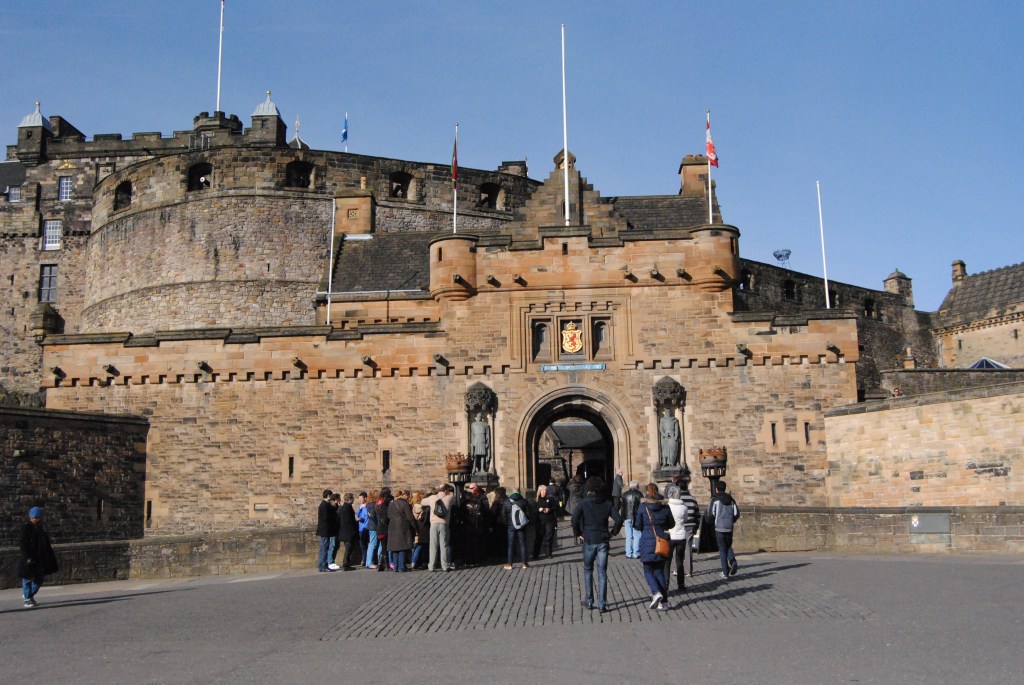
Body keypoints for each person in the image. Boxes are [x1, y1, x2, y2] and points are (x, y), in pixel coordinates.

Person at [571, 476, 623, 613]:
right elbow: (618, 519)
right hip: (603, 540)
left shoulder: (583, 503)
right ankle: (602, 604)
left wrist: (578, 533)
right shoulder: (607, 503)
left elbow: (574, 519)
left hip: (589, 539)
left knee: (588, 570)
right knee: (602, 572)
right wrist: (613, 533)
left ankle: (589, 601)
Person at [634, 482, 675, 611]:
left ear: (647, 492)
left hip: (647, 540)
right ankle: (665, 602)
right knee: (659, 571)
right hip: (661, 540)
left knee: (648, 570)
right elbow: (671, 523)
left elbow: (638, 525)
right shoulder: (665, 506)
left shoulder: (643, 506)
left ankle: (656, 592)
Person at [18, 506, 59, 608]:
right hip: (29, 558)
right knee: (27, 578)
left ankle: (29, 595)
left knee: (39, 579)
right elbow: (23, 544)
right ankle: (27, 598)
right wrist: (27, 557)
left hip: (39, 558)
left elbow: (45, 543)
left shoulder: (40, 527)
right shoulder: (27, 527)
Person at [709, 481, 740, 579]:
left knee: (722, 549)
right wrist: (731, 521)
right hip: (729, 527)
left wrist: (713, 522)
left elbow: (711, 514)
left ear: (716, 489)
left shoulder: (715, 499)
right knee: (728, 545)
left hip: (719, 527)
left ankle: (725, 572)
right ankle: (733, 561)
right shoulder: (731, 500)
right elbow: (736, 514)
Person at [423, 484, 455, 571]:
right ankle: (444, 565)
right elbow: (454, 497)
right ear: (446, 490)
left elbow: (422, 502)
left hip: (433, 524)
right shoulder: (449, 498)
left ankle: (431, 566)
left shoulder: (432, 498)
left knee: (433, 545)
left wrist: (433, 495)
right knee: (444, 545)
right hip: (444, 523)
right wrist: (449, 493)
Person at [459, 483, 489, 566]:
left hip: (470, 524)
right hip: (477, 524)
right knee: (476, 543)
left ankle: (469, 560)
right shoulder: (479, 502)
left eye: (472, 488)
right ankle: (477, 559)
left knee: (469, 543)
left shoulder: (465, 502)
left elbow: (461, 513)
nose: (470, 490)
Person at [386, 490, 416, 572]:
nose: (409, 498)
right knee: (402, 547)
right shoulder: (405, 504)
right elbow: (410, 517)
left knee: (395, 548)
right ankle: (401, 567)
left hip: (392, 527)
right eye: (408, 496)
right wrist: (415, 527)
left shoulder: (391, 504)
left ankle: (395, 567)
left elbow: (388, 516)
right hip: (402, 527)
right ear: (405, 496)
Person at [677, 478, 700, 578]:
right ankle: (689, 570)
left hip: (680, 525)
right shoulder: (692, 498)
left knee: (677, 548)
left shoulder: (678, 499)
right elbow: (697, 514)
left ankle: (677, 569)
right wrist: (696, 526)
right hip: (691, 525)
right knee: (688, 547)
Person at [502, 490, 530, 569]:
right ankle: (524, 563)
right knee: (522, 544)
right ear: (519, 493)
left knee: (510, 545)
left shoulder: (506, 502)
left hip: (511, 526)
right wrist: (526, 523)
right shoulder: (524, 501)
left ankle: (509, 564)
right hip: (521, 525)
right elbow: (528, 513)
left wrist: (507, 523)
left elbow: (503, 515)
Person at [533, 484, 558, 559]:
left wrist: (549, 509)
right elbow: (533, 512)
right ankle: (535, 554)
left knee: (549, 537)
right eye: (542, 490)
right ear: (539, 492)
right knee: (539, 538)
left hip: (549, 521)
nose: (544, 492)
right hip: (539, 522)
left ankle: (548, 553)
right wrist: (538, 510)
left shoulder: (550, 499)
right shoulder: (536, 501)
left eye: (545, 490)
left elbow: (555, 508)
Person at [336, 493, 360, 571]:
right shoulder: (348, 508)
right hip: (348, 532)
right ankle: (345, 564)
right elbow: (350, 521)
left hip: (343, 532)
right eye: (352, 498)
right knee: (349, 549)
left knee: (348, 548)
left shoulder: (343, 507)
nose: (353, 500)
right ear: (350, 499)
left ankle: (346, 564)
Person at [620, 480, 643, 559]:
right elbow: (642, 507)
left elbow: (622, 508)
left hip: (627, 517)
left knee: (628, 535)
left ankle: (628, 553)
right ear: (637, 486)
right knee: (637, 535)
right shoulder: (639, 494)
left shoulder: (624, 494)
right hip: (636, 517)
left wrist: (622, 518)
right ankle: (636, 553)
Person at [375, 488, 394, 571]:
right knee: (385, 547)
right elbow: (387, 517)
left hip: (379, 528)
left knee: (383, 547)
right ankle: (386, 565)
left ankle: (381, 564)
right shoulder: (385, 506)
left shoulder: (378, 504)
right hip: (384, 528)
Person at [410, 490, 429, 570]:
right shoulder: (424, 507)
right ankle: (422, 562)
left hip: (415, 526)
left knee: (416, 545)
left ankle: (414, 561)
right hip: (423, 527)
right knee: (423, 546)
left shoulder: (412, 507)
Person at [316, 489, 334, 572]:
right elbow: (326, 517)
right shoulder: (325, 505)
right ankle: (323, 566)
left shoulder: (324, 504)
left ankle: (321, 565)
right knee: (324, 548)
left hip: (324, 529)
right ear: (328, 496)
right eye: (331, 495)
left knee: (323, 548)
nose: (332, 497)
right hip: (325, 530)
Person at [364, 489, 380, 568]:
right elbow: (373, 516)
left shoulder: (369, 504)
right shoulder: (373, 505)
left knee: (373, 544)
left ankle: (370, 562)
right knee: (372, 544)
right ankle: (369, 563)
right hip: (374, 526)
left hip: (372, 526)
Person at [327, 492, 342, 570]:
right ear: (336, 499)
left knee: (334, 545)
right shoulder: (333, 507)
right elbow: (337, 516)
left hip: (335, 528)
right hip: (333, 529)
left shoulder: (335, 506)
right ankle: (330, 562)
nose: (340, 500)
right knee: (332, 545)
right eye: (339, 499)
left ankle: (331, 561)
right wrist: (339, 508)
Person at [356, 492, 369, 566]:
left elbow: (366, 517)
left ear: (365, 498)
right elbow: (357, 515)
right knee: (362, 545)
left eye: (361, 498)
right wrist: (359, 509)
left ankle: (366, 559)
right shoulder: (361, 507)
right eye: (359, 498)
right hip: (361, 528)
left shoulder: (367, 506)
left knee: (367, 544)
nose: (360, 500)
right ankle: (364, 558)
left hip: (366, 528)